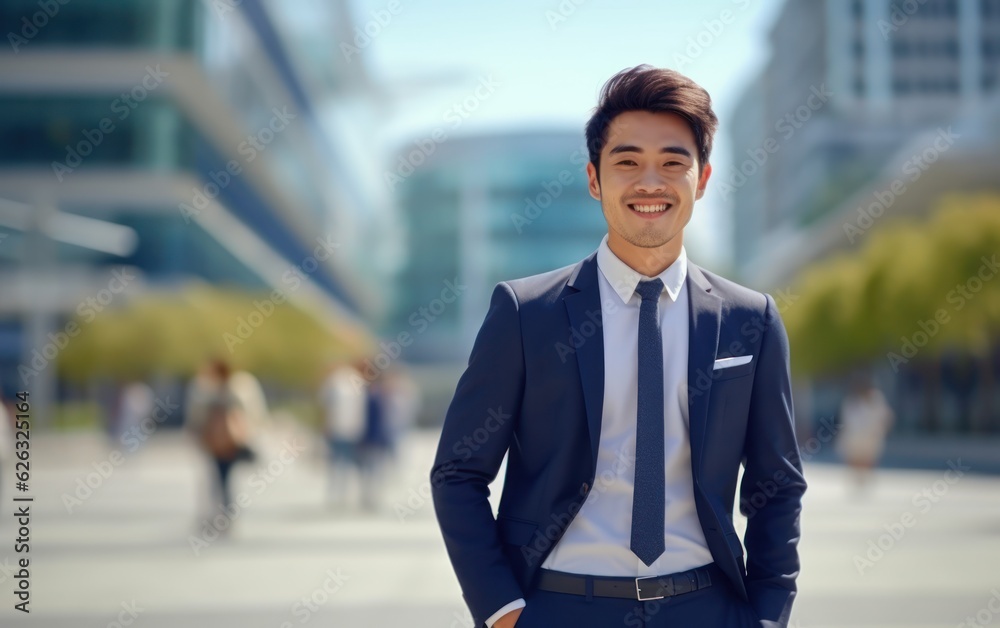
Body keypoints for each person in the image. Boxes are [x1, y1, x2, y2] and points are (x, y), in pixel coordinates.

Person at [431, 65, 806, 628]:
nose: (650, 182)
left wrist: (769, 614)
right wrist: (502, 610)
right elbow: (457, 472)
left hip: (707, 608)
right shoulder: (527, 313)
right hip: (559, 607)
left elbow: (777, 484)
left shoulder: (750, 318)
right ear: (593, 178)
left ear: (702, 179)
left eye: (673, 163)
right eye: (627, 162)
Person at [318, 361, 367, 508]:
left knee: (335, 463)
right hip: (352, 430)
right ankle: (344, 494)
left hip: (337, 429)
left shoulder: (333, 382)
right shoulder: (357, 382)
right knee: (347, 463)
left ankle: (337, 494)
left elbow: (325, 404)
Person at [836, 376, 895, 490]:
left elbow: (886, 416)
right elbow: (846, 419)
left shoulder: (876, 398)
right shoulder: (851, 400)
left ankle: (864, 480)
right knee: (855, 458)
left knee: (867, 458)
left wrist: (882, 430)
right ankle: (857, 480)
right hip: (855, 435)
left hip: (871, 435)